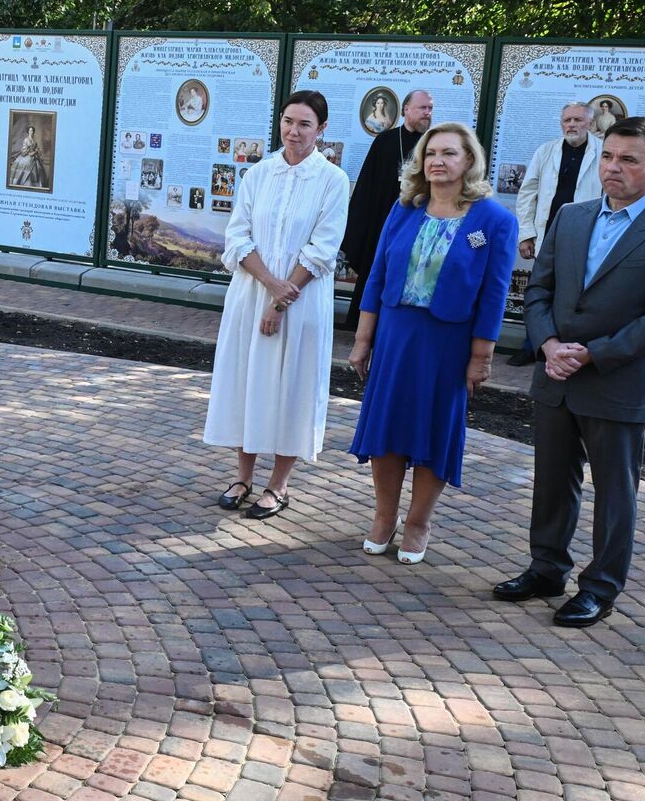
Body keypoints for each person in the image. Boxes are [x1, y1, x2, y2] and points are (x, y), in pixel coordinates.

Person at [495, 117, 645, 627]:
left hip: (616, 381)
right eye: (608, 156)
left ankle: (601, 587)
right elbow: (539, 289)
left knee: (614, 493)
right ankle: (546, 569)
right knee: (551, 482)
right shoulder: (571, 216)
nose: (614, 168)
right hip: (557, 375)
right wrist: (547, 343)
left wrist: (592, 353)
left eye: (628, 160)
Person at [348, 123, 518, 564]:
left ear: (469, 161)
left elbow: (494, 294)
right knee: (386, 428)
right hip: (396, 336)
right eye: (430, 153)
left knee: (432, 430)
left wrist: (482, 357)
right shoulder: (405, 208)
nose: (437, 161)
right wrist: (363, 339)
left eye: (448, 153)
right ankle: (384, 517)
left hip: (449, 342)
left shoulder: (494, 221)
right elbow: (377, 277)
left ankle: (419, 521)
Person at [206, 91, 349, 521]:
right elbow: (237, 237)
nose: (294, 131)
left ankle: (278, 484)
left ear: (321, 130)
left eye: (305, 124)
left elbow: (323, 249)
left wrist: (283, 300)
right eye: (289, 121)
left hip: (302, 301)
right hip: (252, 293)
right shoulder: (259, 173)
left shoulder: (332, 180)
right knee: (245, 380)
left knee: (292, 385)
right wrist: (269, 285)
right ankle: (243, 475)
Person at [509, 102, 602, 364]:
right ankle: (533, 346)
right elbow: (528, 192)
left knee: (576, 296)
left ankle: (570, 347)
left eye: (578, 120)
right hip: (547, 233)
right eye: (567, 120)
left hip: (585, 236)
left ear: (590, 123)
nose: (571, 125)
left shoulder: (603, 152)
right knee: (540, 292)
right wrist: (526, 233)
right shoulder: (546, 151)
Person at [339, 89, 432, 331]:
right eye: (423, 108)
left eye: (430, 109)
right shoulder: (385, 141)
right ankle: (363, 325)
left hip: (418, 224)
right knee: (375, 271)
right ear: (406, 110)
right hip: (382, 223)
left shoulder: (432, 144)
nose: (428, 113)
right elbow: (366, 186)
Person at [9, 125, 48, 189]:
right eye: (30, 130)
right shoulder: (26, 140)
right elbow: (24, 150)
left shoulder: (34, 140)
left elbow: (36, 148)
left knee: (38, 169)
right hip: (27, 157)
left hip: (34, 157)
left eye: (32, 130)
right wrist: (30, 152)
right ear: (28, 131)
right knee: (27, 167)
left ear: (33, 132)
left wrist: (36, 151)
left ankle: (35, 186)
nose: (31, 131)